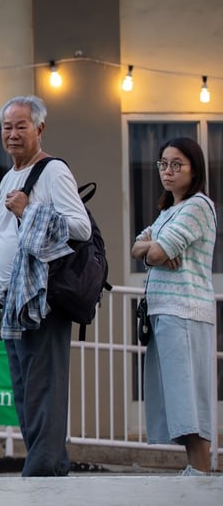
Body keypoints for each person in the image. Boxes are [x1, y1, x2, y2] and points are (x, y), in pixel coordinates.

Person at [0, 95, 91, 477]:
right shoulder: (8, 178)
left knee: (44, 387)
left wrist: (28, 210)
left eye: (21, 126)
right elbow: (2, 241)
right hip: (14, 295)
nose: (12, 134)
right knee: (26, 389)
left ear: (39, 129)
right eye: (7, 127)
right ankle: (50, 466)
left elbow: (81, 226)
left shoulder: (53, 172)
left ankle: (41, 471)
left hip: (43, 295)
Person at [130, 137, 217, 476]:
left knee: (188, 399)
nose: (168, 171)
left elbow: (152, 253)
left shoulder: (198, 206)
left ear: (194, 170)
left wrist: (153, 249)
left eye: (176, 164)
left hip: (185, 312)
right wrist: (153, 247)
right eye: (163, 164)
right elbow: (138, 247)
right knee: (176, 398)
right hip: (165, 312)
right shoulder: (169, 210)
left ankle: (201, 474)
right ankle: (195, 471)